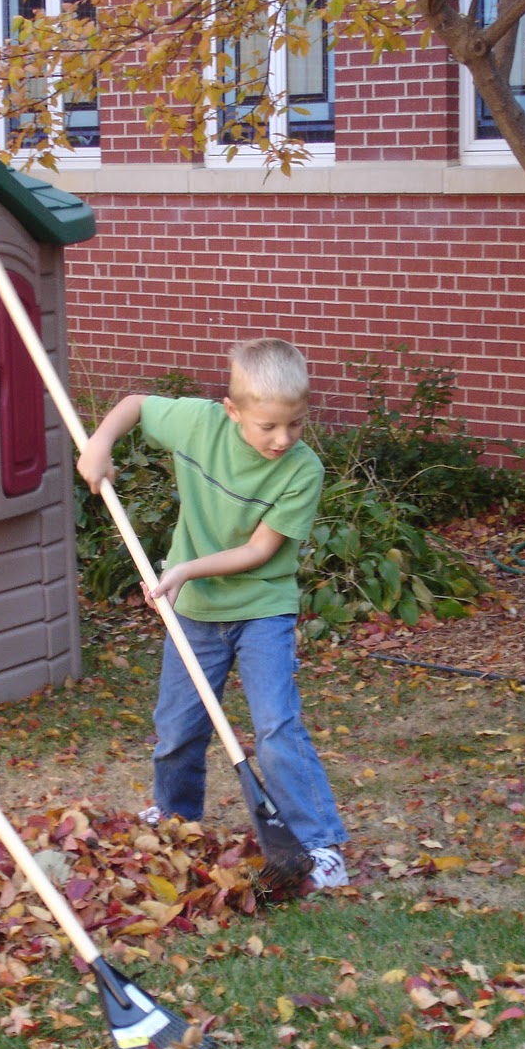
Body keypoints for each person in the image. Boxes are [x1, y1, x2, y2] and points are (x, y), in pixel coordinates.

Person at [77, 338, 350, 889]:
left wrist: (181, 570)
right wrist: (99, 443)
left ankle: (320, 845)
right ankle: (177, 819)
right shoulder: (200, 425)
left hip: (262, 609)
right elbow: (134, 403)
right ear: (232, 411)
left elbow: (258, 552)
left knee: (275, 726)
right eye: (268, 426)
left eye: (295, 424)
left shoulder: (303, 470)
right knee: (178, 728)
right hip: (196, 613)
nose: (283, 439)